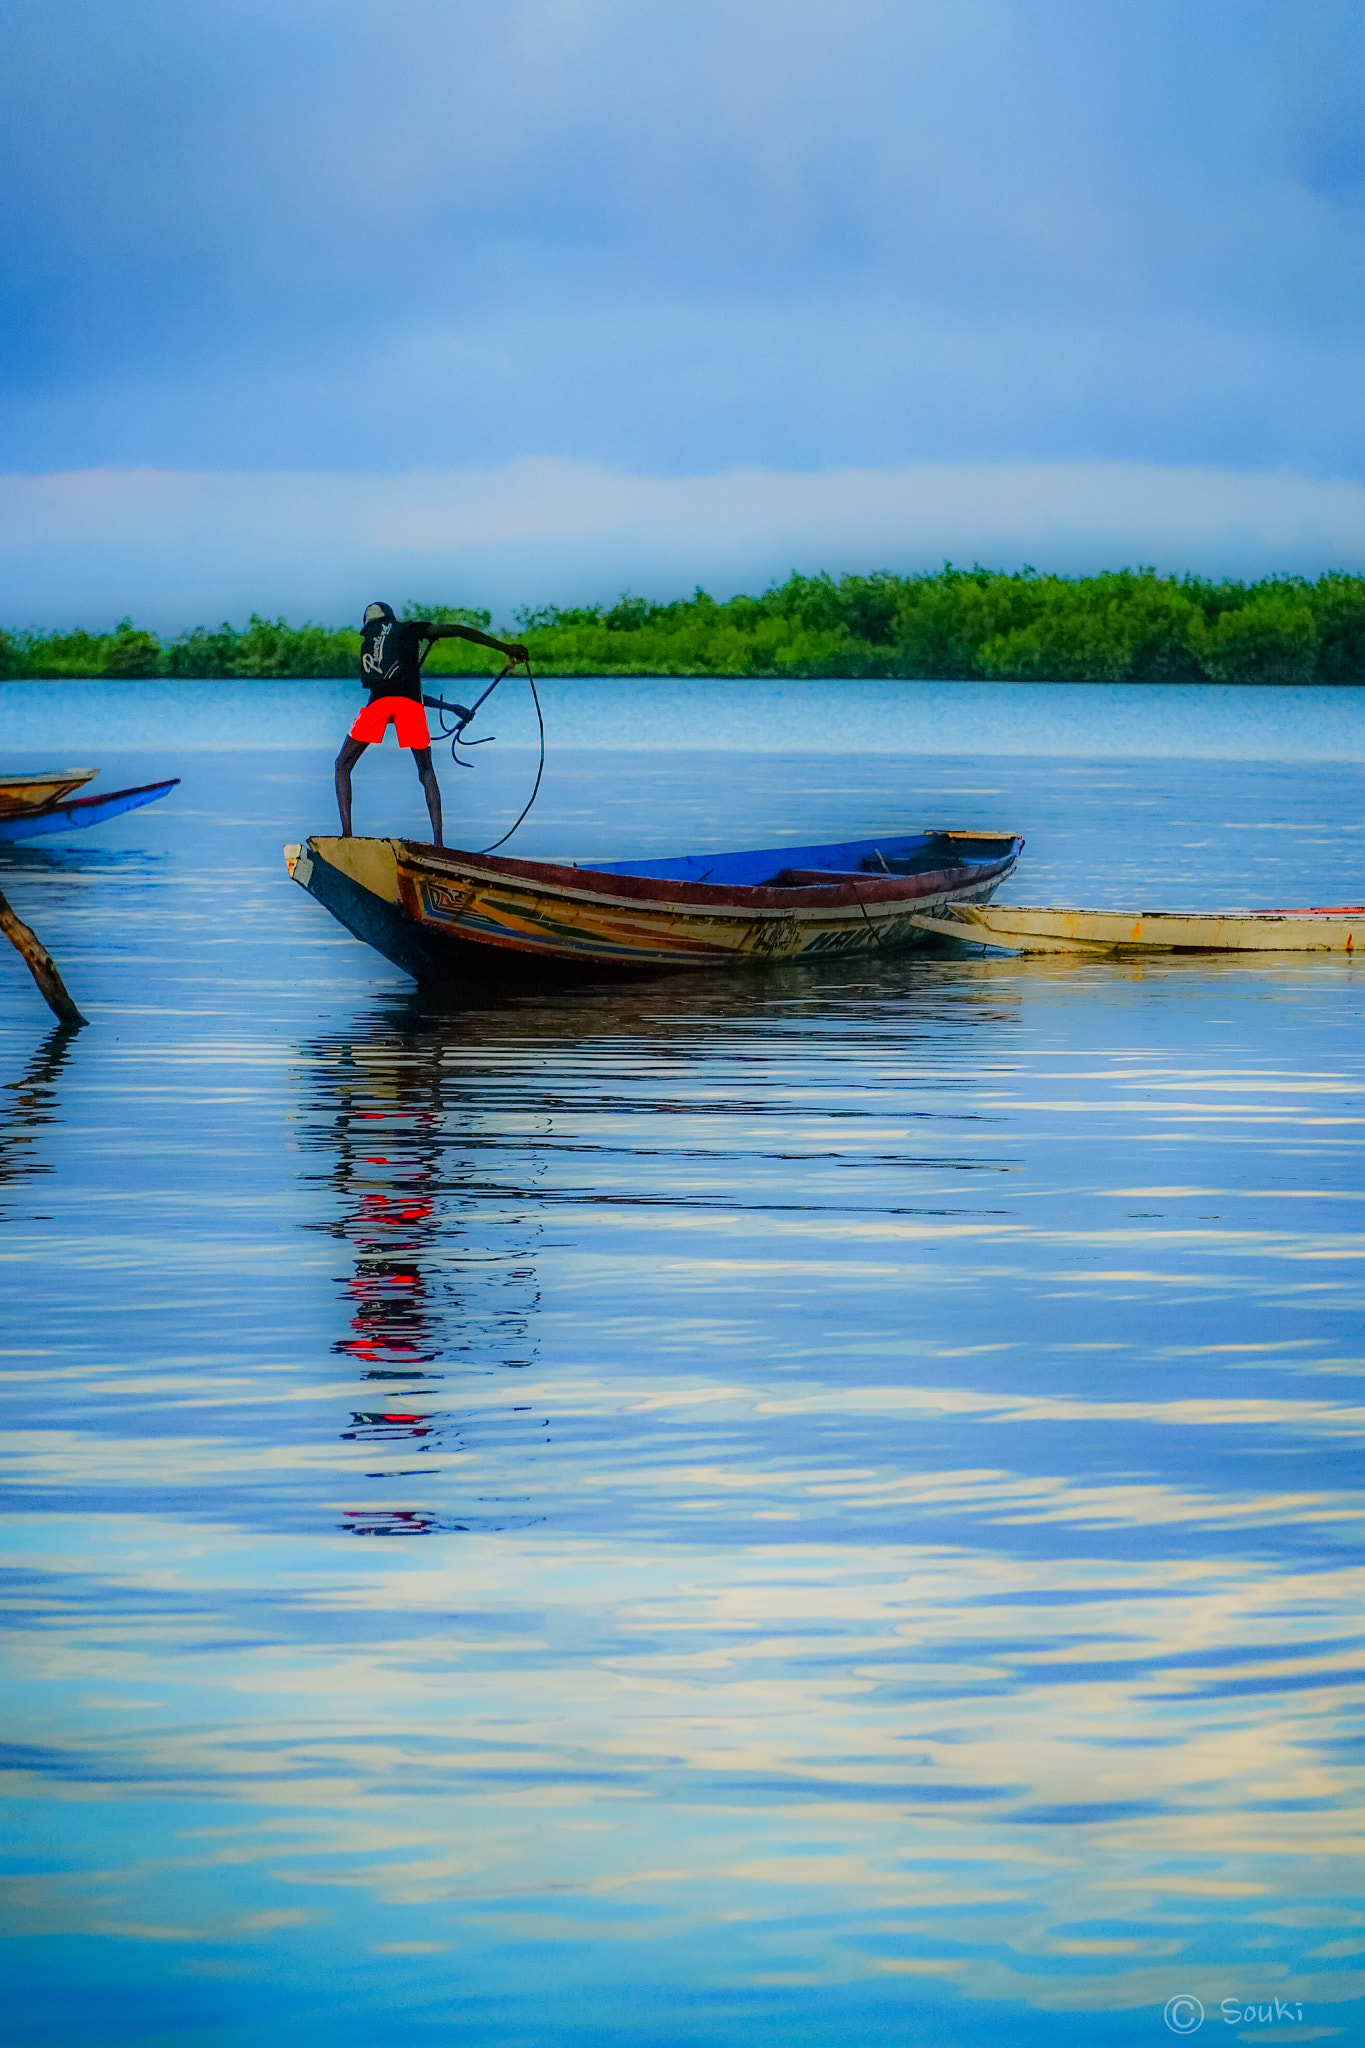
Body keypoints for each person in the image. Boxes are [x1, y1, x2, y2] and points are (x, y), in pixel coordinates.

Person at [335, 603, 529, 846]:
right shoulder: (409, 629)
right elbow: (459, 631)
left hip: (378, 706)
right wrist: (506, 648)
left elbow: (389, 694)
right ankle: (439, 844)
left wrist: (451, 708)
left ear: (368, 625)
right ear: (391, 618)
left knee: (342, 765)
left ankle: (346, 836)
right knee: (426, 770)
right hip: (409, 707)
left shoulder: (373, 642)